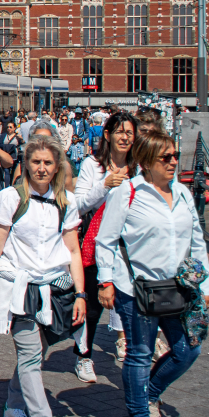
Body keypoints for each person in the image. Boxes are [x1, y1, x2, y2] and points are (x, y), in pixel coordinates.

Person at [95, 131, 209, 417]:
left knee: (188, 349)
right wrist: (106, 281)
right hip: (137, 287)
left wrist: (206, 283)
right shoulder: (128, 192)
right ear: (147, 162)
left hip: (178, 288)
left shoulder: (183, 193)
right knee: (140, 353)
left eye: (175, 155)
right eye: (166, 157)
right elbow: (106, 240)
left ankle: (149, 396)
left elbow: (197, 241)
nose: (173, 161)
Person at [0, 135, 84, 417]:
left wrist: (81, 294)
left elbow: (73, 251)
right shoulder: (10, 198)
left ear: (57, 166)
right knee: (31, 355)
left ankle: (13, 404)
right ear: (26, 164)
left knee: (37, 352)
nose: (42, 168)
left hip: (54, 287)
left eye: (48, 162)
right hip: (18, 288)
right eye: (36, 162)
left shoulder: (66, 201)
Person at [73, 111, 137, 375]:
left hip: (130, 245)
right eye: (120, 132)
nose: (125, 137)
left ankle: (132, 349)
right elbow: (79, 205)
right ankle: (83, 355)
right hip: (97, 242)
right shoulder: (92, 165)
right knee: (92, 305)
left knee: (131, 301)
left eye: (130, 132)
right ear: (108, 135)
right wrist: (105, 184)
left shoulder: (139, 167)